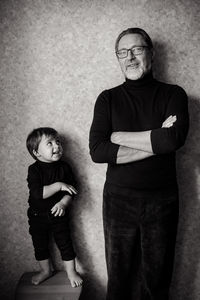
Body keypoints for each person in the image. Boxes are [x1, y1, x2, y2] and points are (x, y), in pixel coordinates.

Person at [89, 28, 189, 300]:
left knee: (157, 280)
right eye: (123, 52)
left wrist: (119, 137)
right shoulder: (108, 98)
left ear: (151, 54)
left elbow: (172, 140)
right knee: (119, 279)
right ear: (118, 58)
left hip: (162, 201)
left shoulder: (174, 94)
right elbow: (98, 151)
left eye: (137, 49)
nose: (130, 57)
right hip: (118, 200)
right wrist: (155, 139)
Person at [26, 127, 83, 287]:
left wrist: (64, 202)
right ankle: (46, 270)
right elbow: (38, 193)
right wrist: (59, 185)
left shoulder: (64, 167)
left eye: (58, 142)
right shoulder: (34, 170)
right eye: (49, 143)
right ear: (36, 152)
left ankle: (71, 271)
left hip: (59, 214)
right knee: (40, 244)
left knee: (65, 243)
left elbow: (73, 189)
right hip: (37, 216)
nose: (56, 146)